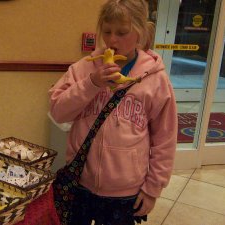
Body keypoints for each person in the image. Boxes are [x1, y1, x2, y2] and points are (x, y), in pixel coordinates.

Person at [48, 0, 177, 224]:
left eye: (122, 32)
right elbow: (58, 112)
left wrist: (152, 189)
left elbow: (165, 139)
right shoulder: (84, 68)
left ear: (139, 32)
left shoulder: (155, 79)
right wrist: (91, 84)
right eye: (107, 31)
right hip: (80, 183)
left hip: (126, 192)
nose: (112, 39)